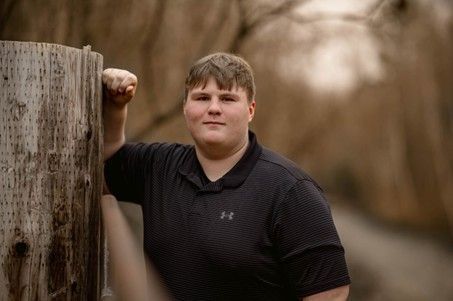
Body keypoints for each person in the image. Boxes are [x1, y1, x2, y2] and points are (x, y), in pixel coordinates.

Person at [102, 53, 351, 300]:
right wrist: (116, 106)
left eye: (227, 98)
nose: (213, 108)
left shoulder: (292, 191)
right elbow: (105, 163)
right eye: (202, 97)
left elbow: (331, 293)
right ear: (185, 107)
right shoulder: (158, 166)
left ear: (250, 110)